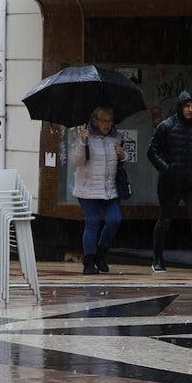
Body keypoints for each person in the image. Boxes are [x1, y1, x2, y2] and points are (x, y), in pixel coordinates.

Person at [147, 90, 192, 274]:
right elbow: (152, 151)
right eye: (187, 106)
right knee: (165, 219)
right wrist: (167, 168)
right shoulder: (166, 126)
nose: (190, 110)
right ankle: (157, 258)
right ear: (180, 107)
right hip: (171, 182)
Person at [70, 106, 124, 275]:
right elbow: (75, 160)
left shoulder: (116, 137)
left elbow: (123, 160)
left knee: (114, 220)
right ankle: (89, 261)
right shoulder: (85, 135)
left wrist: (122, 154)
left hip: (109, 189)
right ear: (95, 121)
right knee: (92, 222)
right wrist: (82, 141)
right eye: (103, 121)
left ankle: (101, 253)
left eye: (110, 121)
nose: (107, 125)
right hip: (88, 189)